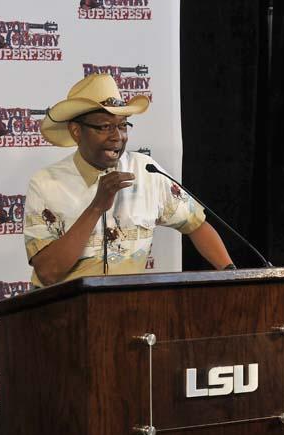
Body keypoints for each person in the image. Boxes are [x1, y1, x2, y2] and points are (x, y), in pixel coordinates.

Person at [24, 74, 234, 287]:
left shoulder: (146, 171)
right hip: (63, 315)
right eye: (105, 127)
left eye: (123, 126)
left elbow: (196, 224)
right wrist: (97, 206)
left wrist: (231, 274)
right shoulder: (46, 184)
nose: (117, 136)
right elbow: (48, 272)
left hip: (125, 311)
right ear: (76, 131)